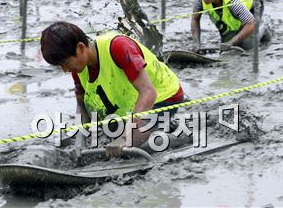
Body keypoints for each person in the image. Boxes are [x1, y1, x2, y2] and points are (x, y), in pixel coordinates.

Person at [40, 22, 184, 157]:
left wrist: (125, 139)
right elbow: (81, 106)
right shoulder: (78, 68)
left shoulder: (118, 47)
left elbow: (149, 92)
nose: (65, 70)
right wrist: (80, 143)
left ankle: (181, 137)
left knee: (129, 151)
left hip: (163, 97)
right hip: (130, 106)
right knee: (112, 133)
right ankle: (161, 125)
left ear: (80, 48)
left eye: (65, 63)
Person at [191, 0, 270, 53]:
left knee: (247, 45)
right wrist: (196, 44)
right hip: (238, 12)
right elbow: (195, 19)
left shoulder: (233, 2)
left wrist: (231, 42)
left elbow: (251, 23)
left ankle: (263, 29)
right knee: (226, 45)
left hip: (254, 5)